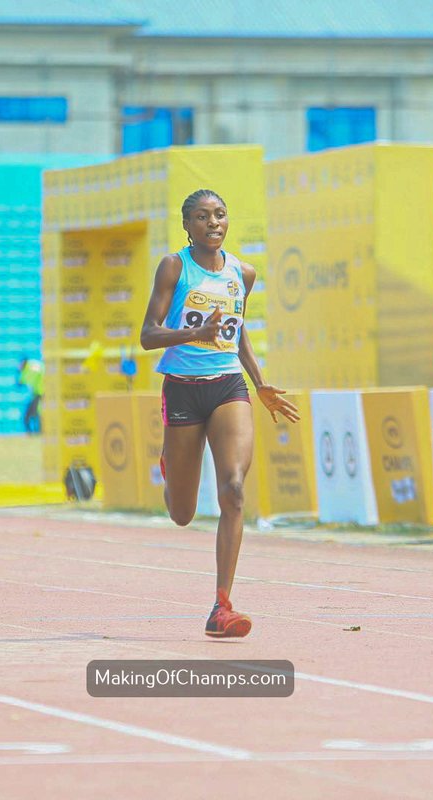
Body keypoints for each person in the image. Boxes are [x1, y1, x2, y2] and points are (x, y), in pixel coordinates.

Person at [140, 189, 299, 639]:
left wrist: (259, 380)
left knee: (232, 490)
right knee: (182, 513)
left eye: (221, 215)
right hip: (183, 389)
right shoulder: (174, 267)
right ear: (187, 225)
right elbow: (148, 335)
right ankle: (172, 463)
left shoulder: (242, 273)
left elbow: (238, 328)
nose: (214, 223)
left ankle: (222, 606)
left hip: (229, 385)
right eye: (203, 217)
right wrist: (192, 332)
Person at [18, 356, 44, 434]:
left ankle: (36, 432)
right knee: (35, 414)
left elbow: (22, 382)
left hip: (40, 393)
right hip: (40, 393)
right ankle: (37, 432)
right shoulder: (31, 365)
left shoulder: (30, 368)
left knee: (32, 415)